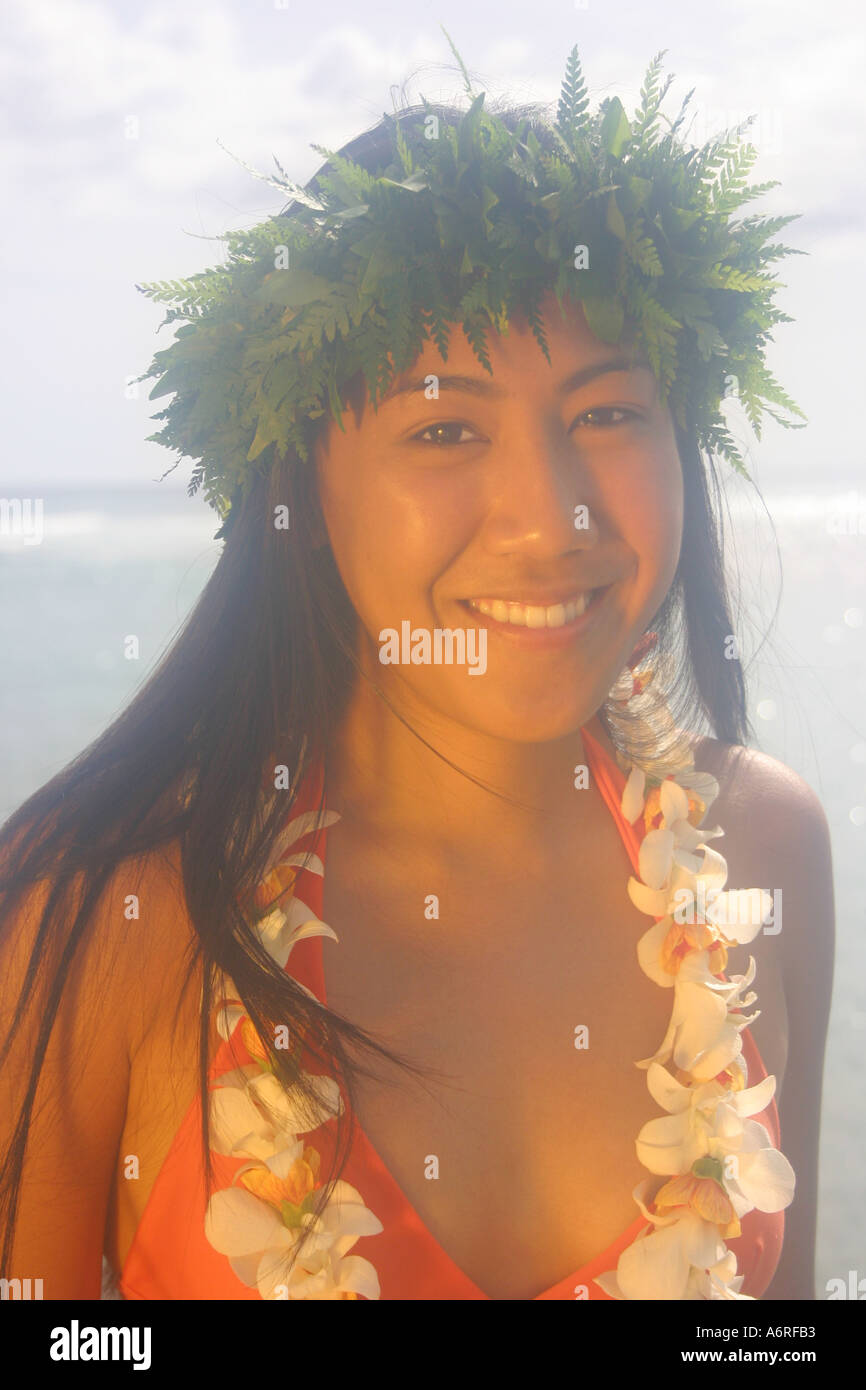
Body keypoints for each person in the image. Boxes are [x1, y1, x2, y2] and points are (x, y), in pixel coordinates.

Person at [0, 43, 834, 1301]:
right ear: (301, 484)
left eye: (608, 412)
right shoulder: (108, 907)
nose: (547, 520)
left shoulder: (763, 845)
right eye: (443, 427)